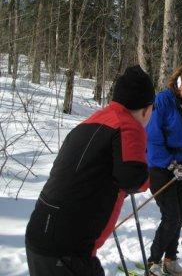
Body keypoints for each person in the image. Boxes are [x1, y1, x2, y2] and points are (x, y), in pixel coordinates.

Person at [25, 65, 155, 276]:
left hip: (41, 232)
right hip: (68, 247)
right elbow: (134, 180)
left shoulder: (92, 120)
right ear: (147, 109)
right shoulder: (129, 125)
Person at [145, 63, 182, 276]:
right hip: (163, 168)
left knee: (179, 216)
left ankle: (170, 258)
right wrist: (170, 164)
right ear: (179, 80)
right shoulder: (162, 101)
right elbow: (153, 138)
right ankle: (153, 262)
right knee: (171, 216)